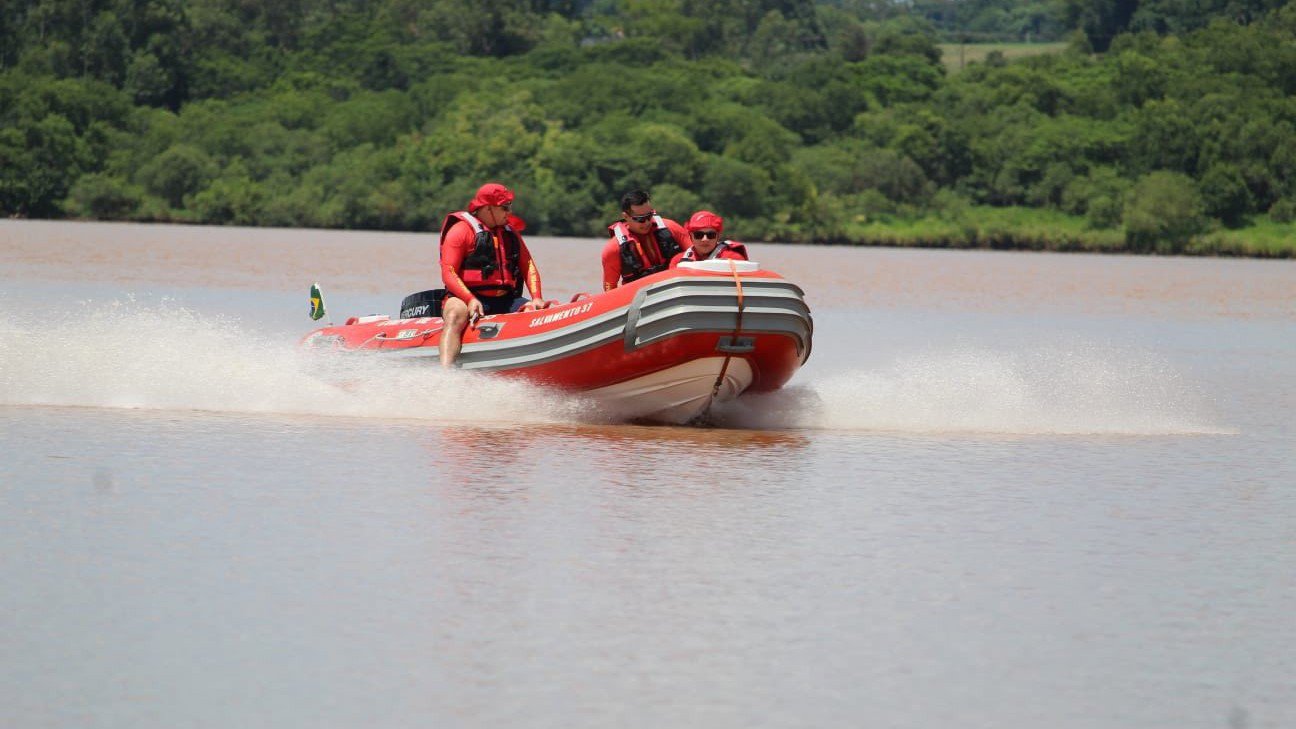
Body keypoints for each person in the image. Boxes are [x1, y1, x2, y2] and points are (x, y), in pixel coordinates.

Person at [439, 182, 550, 368]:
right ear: (488, 208)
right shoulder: (460, 231)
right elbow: (448, 271)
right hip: (466, 297)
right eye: (504, 207)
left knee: (533, 311)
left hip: (506, 299)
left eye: (510, 207)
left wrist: (537, 297)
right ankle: (445, 371)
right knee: (455, 314)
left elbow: (528, 264)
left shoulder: (510, 233)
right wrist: (470, 299)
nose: (509, 212)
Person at [601, 189, 690, 291]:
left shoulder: (671, 227)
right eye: (640, 219)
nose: (647, 222)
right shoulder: (613, 249)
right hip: (637, 297)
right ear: (626, 216)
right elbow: (609, 287)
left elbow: (697, 254)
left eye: (649, 216)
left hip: (675, 288)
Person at [669, 210, 748, 267]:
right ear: (691, 237)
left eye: (710, 235)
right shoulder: (677, 261)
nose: (705, 239)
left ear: (718, 237)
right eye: (698, 235)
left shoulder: (734, 259)